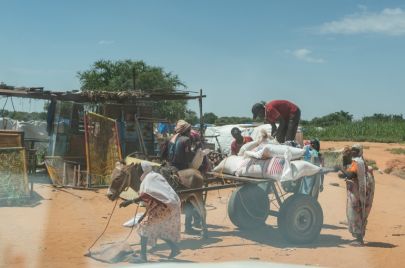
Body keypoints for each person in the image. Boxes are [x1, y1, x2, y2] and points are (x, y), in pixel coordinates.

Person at [119, 161, 181, 263]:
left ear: (143, 170)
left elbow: (147, 195)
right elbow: (152, 198)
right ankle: (174, 248)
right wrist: (144, 215)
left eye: (139, 169)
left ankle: (143, 257)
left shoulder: (150, 178)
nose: (138, 171)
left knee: (143, 227)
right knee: (156, 229)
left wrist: (130, 201)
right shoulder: (153, 176)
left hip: (164, 206)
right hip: (163, 205)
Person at [338, 144, 375, 246]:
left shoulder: (357, 162)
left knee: (356, 212)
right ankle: (359, 237)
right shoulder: (357, 160)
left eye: (355, 150)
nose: (353, 152)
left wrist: (343, 173)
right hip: (360, 191)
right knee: (359, 212)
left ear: (359, 151)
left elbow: (352, 174)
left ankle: (359, 240)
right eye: (352, 150)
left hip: (358, 193)